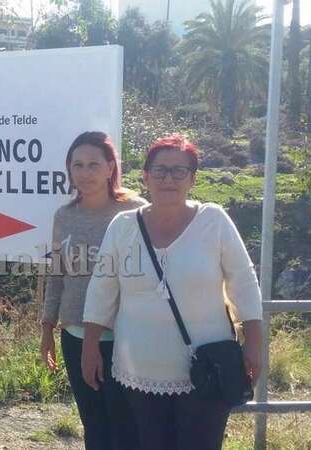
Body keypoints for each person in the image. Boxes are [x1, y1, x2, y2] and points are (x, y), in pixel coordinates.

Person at [82, 134, 263, 450]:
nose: (169, 178)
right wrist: (90, 346)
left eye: (179, 171)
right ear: (145, 176)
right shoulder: (122, 226)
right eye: (161, 170)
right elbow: (102, 288)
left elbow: (244, 283)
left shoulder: (214, 221)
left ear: (192, 178)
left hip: (207, 369)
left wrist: (255, 344)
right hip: (138, 369)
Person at [40, 131, 144, 450]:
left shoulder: (136, 212)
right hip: (75, 336)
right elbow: (56, 275)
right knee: (94, 425)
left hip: (126, 337)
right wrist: (47, 328)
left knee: (127, 427)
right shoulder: (64, 216)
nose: (85, 173)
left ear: (111, 167)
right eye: (78, 165)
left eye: (93, 164)